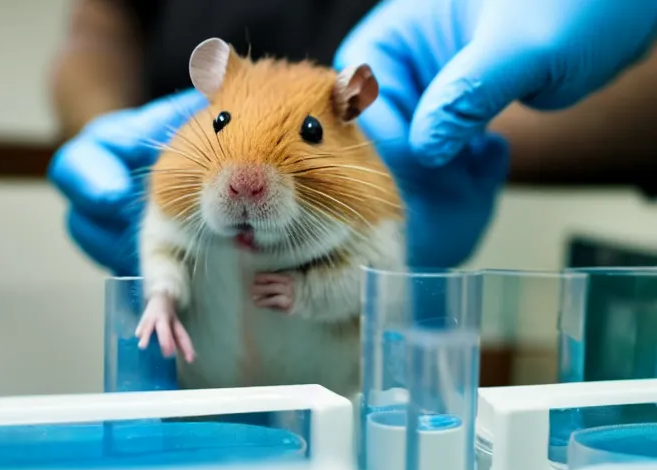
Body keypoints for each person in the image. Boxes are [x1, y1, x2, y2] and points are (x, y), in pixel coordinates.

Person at [48, 0, 657, 276]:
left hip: (391, 285)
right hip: (198, 254)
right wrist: (111, 135)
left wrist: (446, 137)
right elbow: (99, 26)